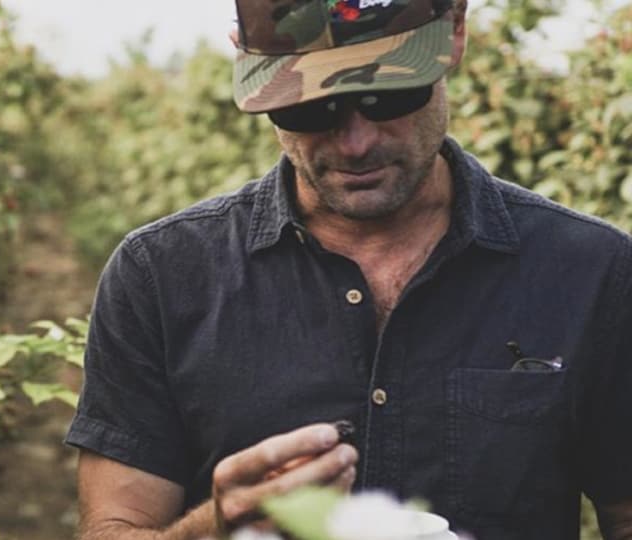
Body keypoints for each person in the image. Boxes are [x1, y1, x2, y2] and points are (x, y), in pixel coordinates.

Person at [65, 0, 632, 538]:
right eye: (311, 106)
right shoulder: (160, 277)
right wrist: (216, 527)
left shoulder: (594, 272)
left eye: (391, 94)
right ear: (245, 56)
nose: (357, 142)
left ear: (455, 29)